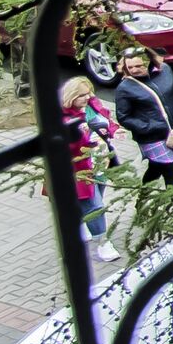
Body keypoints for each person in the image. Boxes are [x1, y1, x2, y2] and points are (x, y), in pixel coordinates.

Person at [105, 43, 173, 185]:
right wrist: (150, 127)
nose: (134, 70)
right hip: (151, 138)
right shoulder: (125, 88)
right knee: (171, 169)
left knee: (157, 167)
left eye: (139, 66)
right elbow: (124, 117)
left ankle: (144, 194)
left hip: (172, 133)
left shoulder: (165, 71)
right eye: (130, 67)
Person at [58, 71, 124, 255]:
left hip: (101, 161)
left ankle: (80, 223)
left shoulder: (92, 106)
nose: (87, 97)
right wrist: (82, 136)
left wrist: (114, 130)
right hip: (80, 169)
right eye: (81, 95)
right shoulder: (63, 119)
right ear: (70, 97)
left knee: (95, 200)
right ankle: (103, 243)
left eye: (88, 93)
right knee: (95, 205)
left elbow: (106, 121)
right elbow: (66, 147)